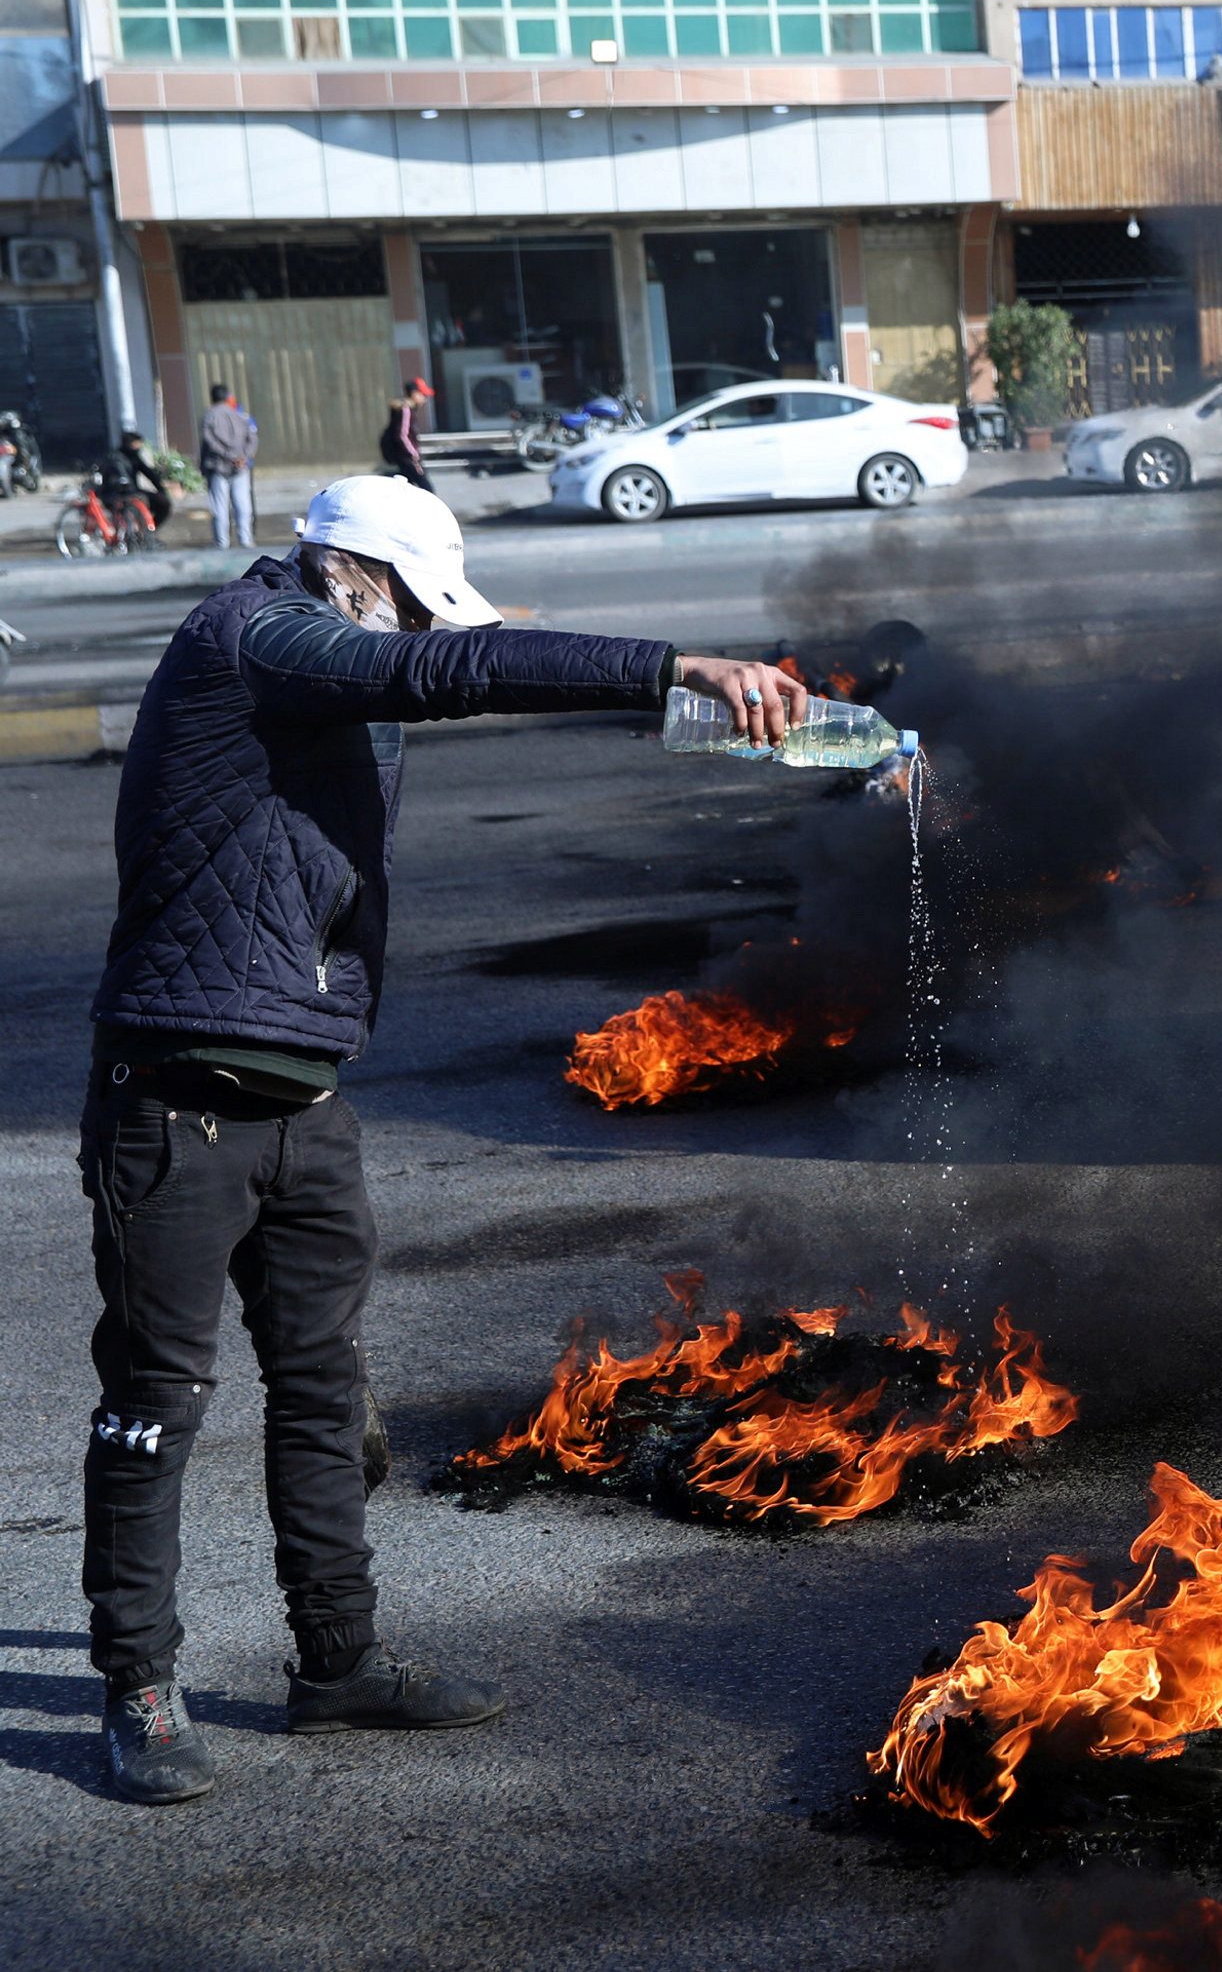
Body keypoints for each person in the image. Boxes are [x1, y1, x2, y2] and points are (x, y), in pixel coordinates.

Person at [77, 475, 807, 1805]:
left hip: (306, 1099)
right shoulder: (253, 634)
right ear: (359, 576)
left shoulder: (329, 665)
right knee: (156, 1400)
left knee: (321, 1387)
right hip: (175, 1098)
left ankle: (338, 1663)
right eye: (409, 608)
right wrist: (671, 665)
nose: (411, 634)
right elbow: (456, 672)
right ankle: (137, 1686)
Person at [198, 382, 258, 550]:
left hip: (218, 468)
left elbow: (209, 442)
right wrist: (243, 457)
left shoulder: (209, 417)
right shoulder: (241, 415)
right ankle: (246, 539)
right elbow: (253, 439)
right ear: (227, 397)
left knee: (220, 507)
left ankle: (222, 542)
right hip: (240, 468)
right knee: (243, 504)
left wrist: (228, 456)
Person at [376, 377, 430, 490]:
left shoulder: (408, 409)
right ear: (414, 394)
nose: (425, 399)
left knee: (407, 487)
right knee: (426, 487)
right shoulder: (406, 410)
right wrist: (413, 453)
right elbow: (402, 435)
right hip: (406, 457)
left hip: (403, 456)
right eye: (423, 395)